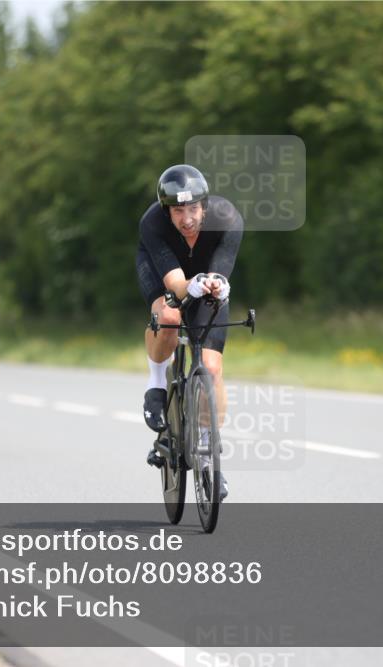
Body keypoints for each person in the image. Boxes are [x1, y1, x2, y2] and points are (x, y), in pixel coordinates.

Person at [136, 164, 243, 499]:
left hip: (207, 278)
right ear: (167, 210)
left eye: (193, 209)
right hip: (168, 276)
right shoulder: (153, 223)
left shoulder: (228, 220)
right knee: (168, 316)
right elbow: (176, 285)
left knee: (211, 368)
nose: (186, 219)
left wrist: (217, 285)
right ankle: (156, 383)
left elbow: (221, 273)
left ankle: (210, 454)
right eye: (178, 211)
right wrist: (190, 286)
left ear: (205, 206)